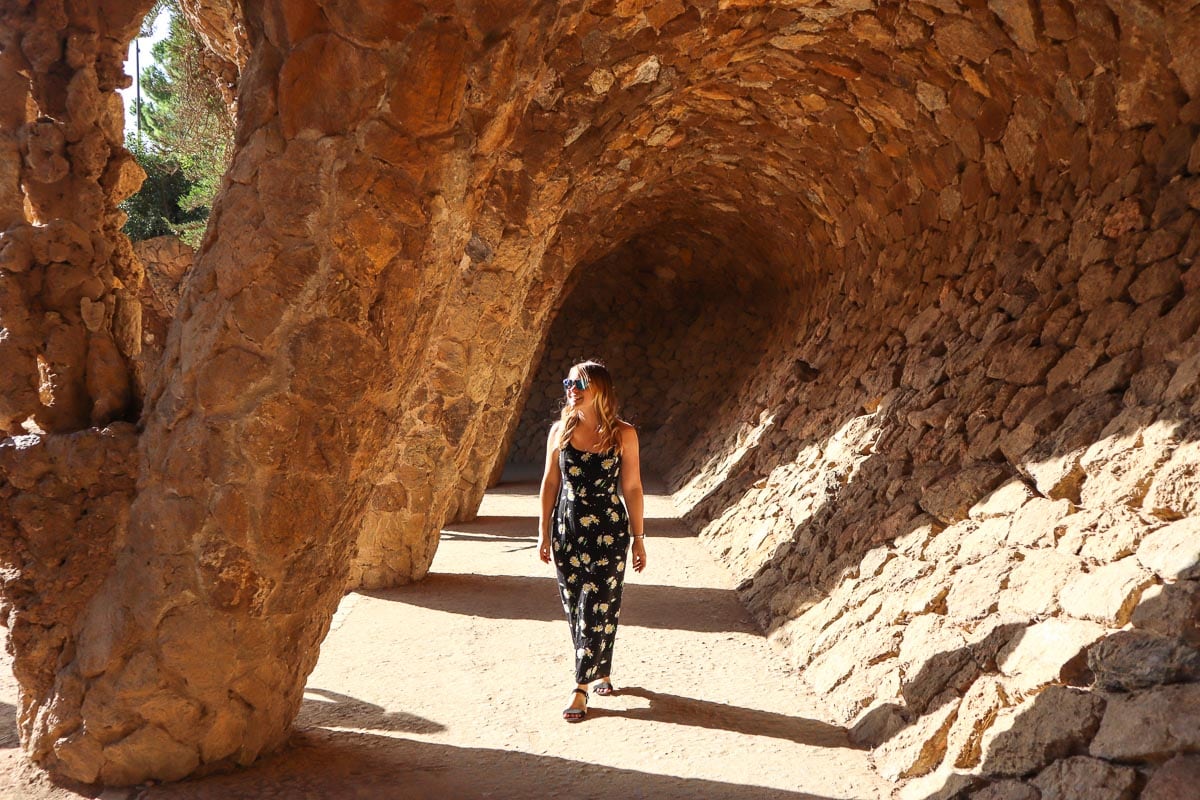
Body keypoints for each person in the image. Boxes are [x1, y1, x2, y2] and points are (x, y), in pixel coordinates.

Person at [538, 360, 646, 722]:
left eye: (580, 382)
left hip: (609, 529)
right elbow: (550, 483)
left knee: (599, 602)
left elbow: (631, 487)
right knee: (576, 607)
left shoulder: (623, 434)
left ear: (600, 388)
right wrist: (543, 533)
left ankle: (580, 688)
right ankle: (601, 668)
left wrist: (639, 538)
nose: (572, 388)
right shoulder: (560, 431)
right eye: (568, 381)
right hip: (567, 529)